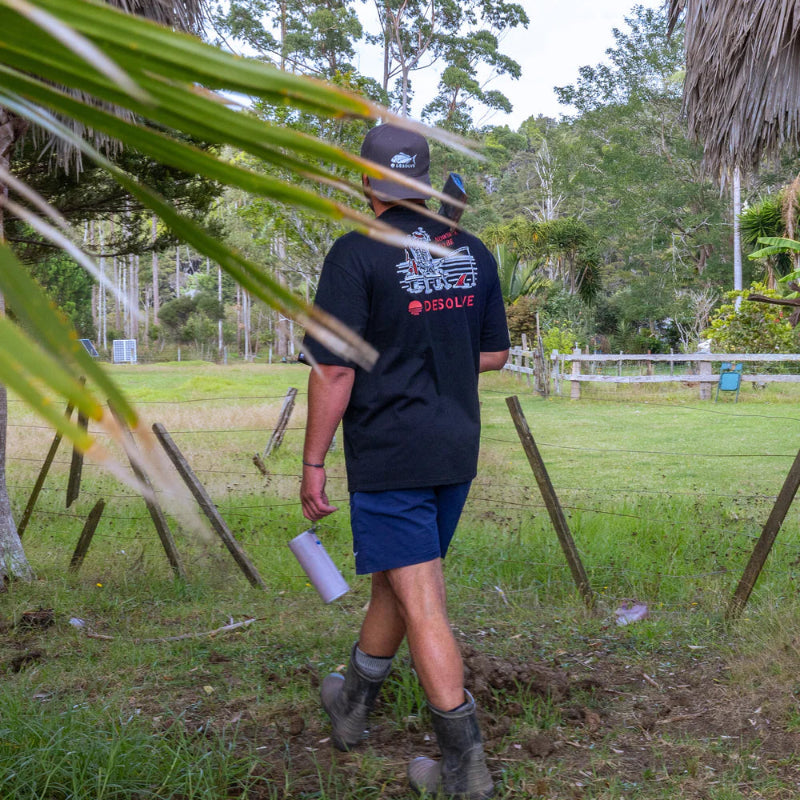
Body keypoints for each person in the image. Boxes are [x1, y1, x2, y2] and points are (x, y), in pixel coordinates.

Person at [299, 123, 509, 800]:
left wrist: (312, 463)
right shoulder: (471, 252)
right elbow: (493, 353)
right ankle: (353, 701)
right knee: (397, 579)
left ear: (365, 180)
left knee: (423, 601)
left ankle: (463, 770)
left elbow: (332, 374)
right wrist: (431, 351)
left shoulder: (355, 256)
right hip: (454, 450)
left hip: (391, 451)